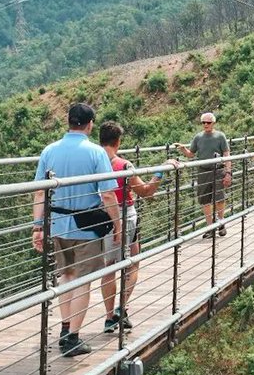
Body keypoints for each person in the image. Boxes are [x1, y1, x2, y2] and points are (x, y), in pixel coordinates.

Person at [32, 103, 122, 357]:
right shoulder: (95, 153)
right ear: (90, 124)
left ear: (69, 122)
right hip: (87, 228)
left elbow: (40, 191)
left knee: (66, 276)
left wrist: (38, 227)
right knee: (83, 281)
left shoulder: (49, 151)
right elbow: (107, 194)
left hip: (58, 226)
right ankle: (72, 338)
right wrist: (117, 225)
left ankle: (64, 328)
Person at [97, 120, 162, 334]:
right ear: (118, 141)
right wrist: (159, 174)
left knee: (109, 265)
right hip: (125, 215)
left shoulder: (93, 163)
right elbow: (145, 191)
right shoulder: (124, 166)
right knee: (133, 262)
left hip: (99, 216)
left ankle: (109, 317)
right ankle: (120, 308)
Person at [175, 112, 231, 238]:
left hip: (218, 170)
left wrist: (228, 172)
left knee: (220, 198)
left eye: (208, 122)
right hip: (203, 171)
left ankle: (221, 223)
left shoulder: (220, 136)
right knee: (205, 200)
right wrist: (183, 149)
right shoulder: (198, 137)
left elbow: (227, 155)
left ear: (213, 123)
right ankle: (210, 227)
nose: (206, 125)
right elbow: (191, 154)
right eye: (203, 122)